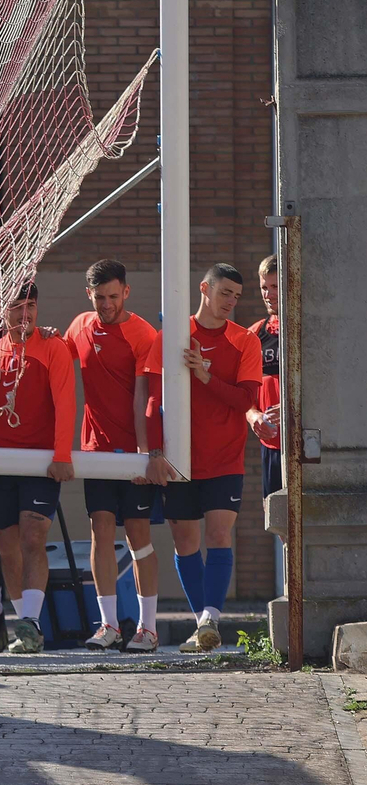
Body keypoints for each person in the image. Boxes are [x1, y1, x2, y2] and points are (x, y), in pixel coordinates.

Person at [144, 262, 263, 653]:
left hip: (224, 459)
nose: (230, 301)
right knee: (184, 541)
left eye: (237, 296)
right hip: (179, 461)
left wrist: (206, 376)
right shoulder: (170, 337)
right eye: (224, 292)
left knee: (217, 535)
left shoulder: (245, 340)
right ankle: (203, 625)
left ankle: (211, 616)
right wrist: (155, 453)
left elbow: (247, 399)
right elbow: (152, 401)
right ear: (204, 289)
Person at [63, 260, 163, 653]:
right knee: (100, 531)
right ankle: (107, 626)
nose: (107, 304)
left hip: (132, 451)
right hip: (95, 450)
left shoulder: (142, 333)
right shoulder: (80, 326)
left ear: (126, 291)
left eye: (113, 296)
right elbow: (59, 358)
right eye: (99, 297)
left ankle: (148, 629)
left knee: (138, 535)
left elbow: (146, 396)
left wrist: (143, 454)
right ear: (89, 295)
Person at [0, 282, 75, 654]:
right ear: (2, 311)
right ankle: (24, 625)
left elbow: (66, 404)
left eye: (31, 305)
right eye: (17, 307)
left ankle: (31, 623)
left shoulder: (53, 347)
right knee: (5, 545)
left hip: (41, 463)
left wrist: (62, 454)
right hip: (0, 465)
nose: (25, 314)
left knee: (33, 537)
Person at [248, 254, 282, 497]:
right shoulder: (255, 333)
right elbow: (241, 392)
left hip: (310, 445)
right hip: (271, 445)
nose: (268, 294)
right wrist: (253, 416)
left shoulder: (310, 327)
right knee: (278, 520)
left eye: (275, 286)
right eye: (264, 287)